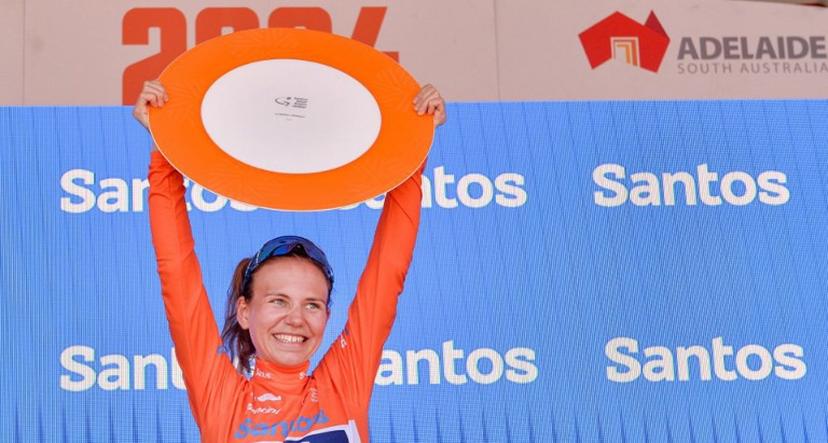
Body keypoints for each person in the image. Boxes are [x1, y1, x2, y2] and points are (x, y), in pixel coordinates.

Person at [134, 79, 445, 443]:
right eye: (278, 300)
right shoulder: (221, 397)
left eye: (312, 304)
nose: (295, 319)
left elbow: (388, 268)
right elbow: (177, 272)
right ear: (245, 311)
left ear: (327, 315)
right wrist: (163, 147)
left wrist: (415, 139)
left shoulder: (344, 383)